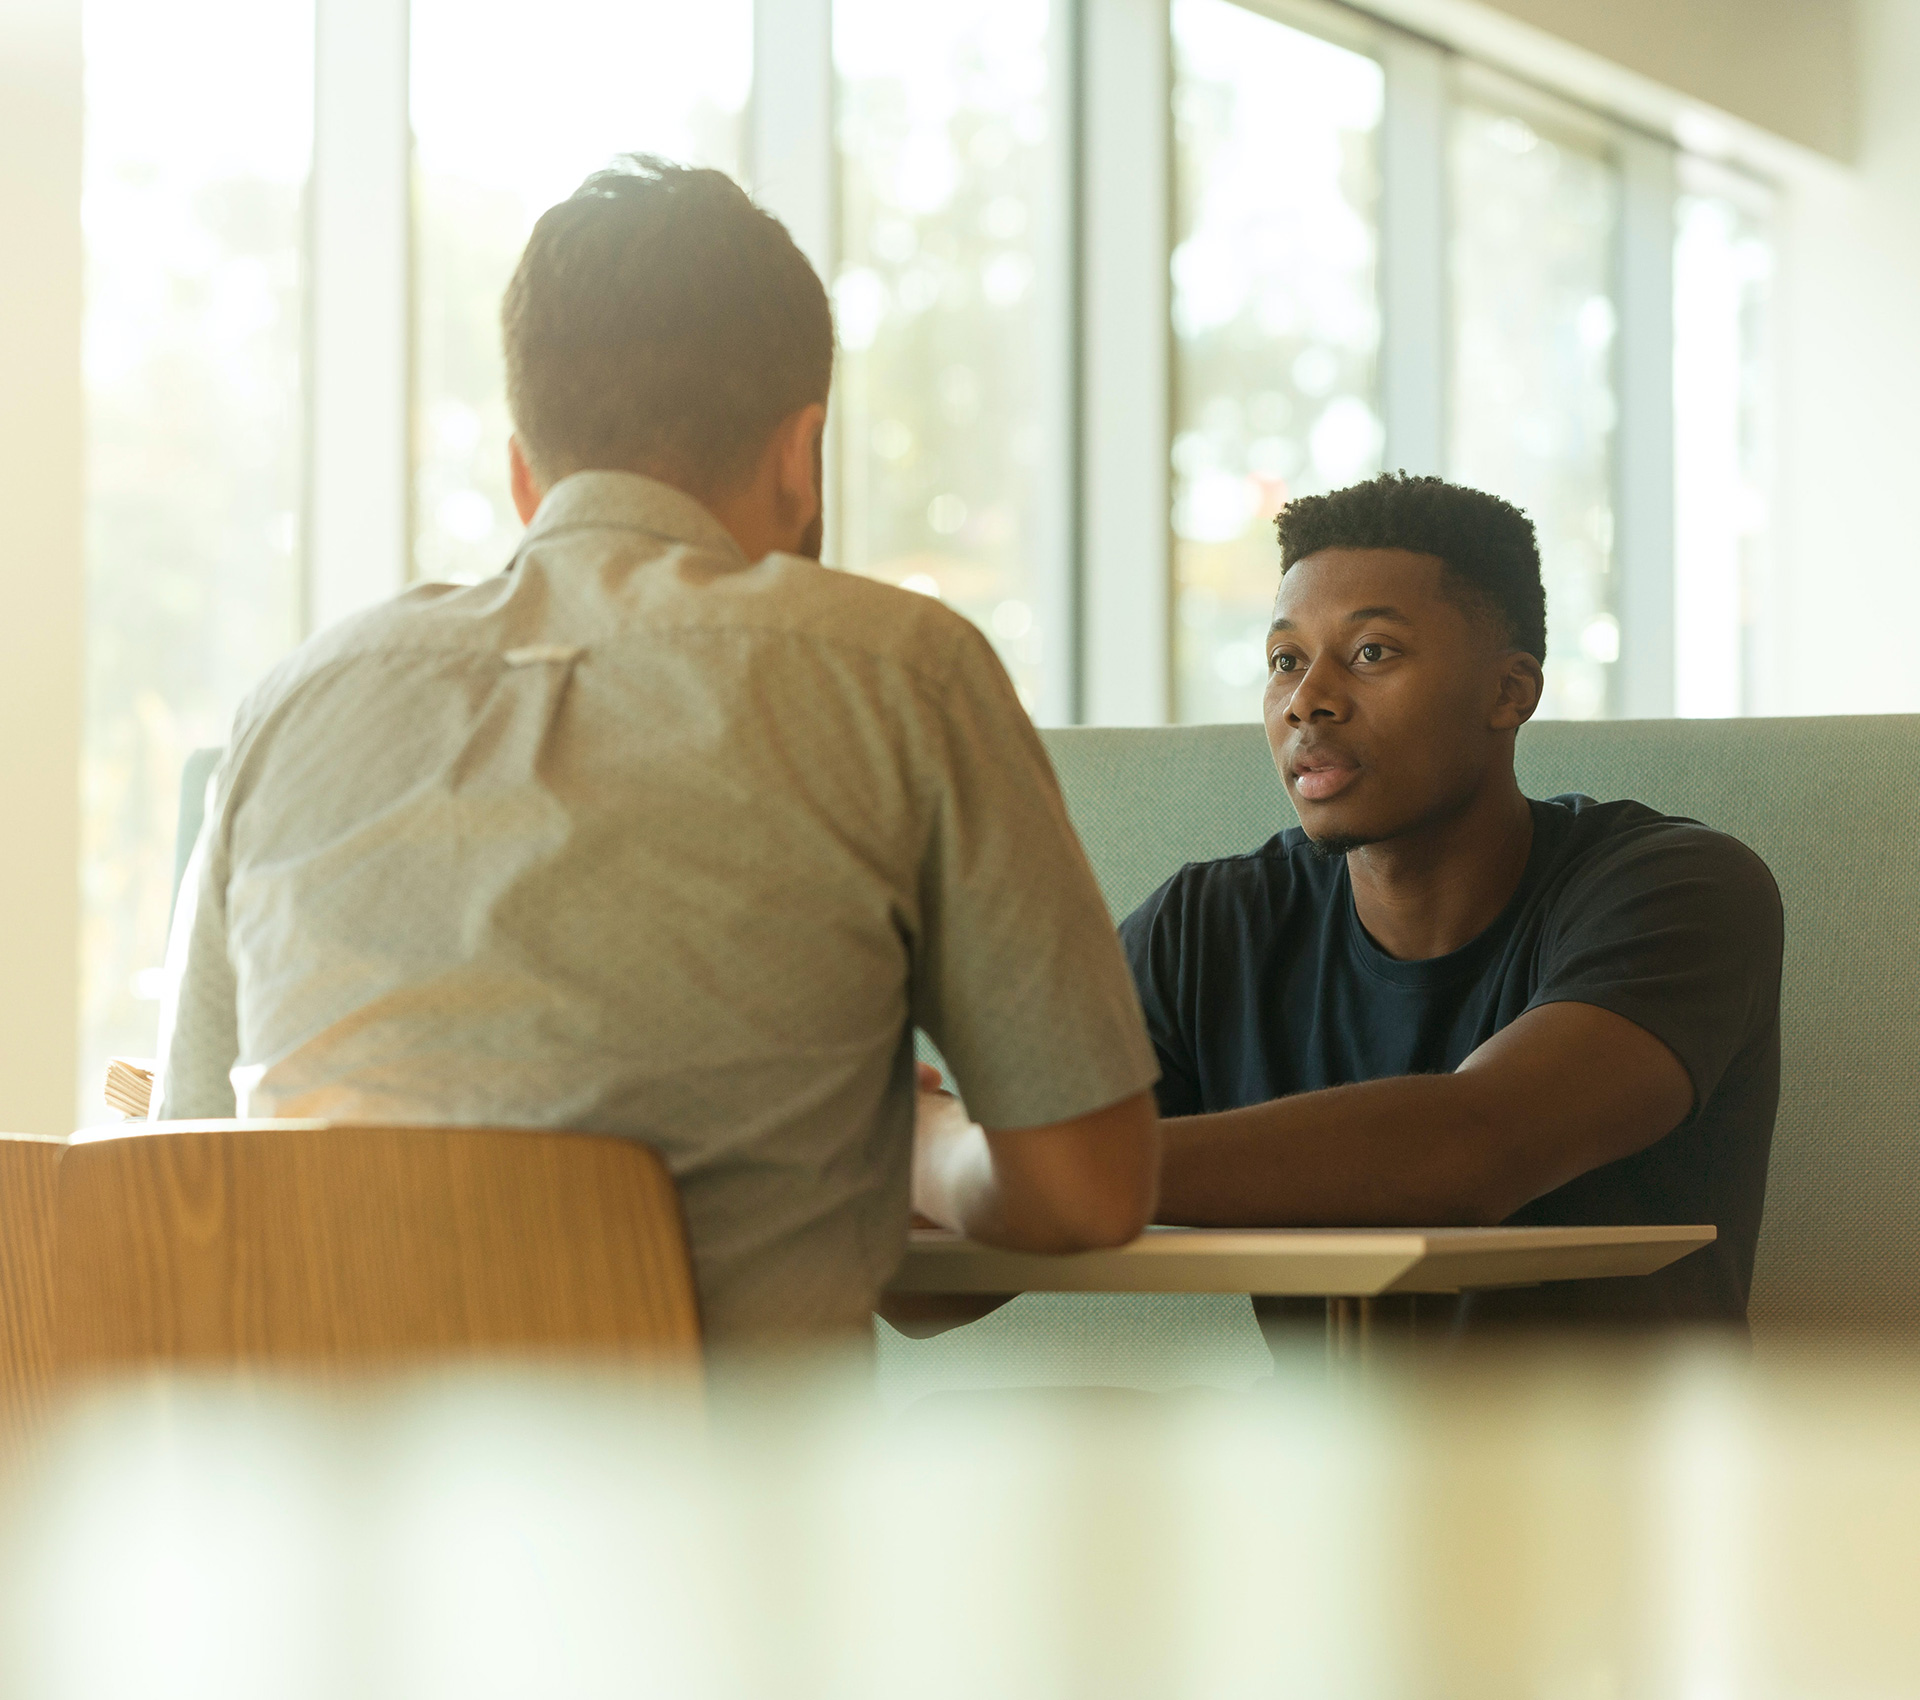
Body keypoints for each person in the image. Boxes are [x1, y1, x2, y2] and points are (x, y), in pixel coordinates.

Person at [155, 157, 1160, 1345]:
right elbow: (1088, 1189)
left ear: (526, 471)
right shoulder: (901, 671)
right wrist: (926, 1146)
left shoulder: (292, 704)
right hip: (718, 1518)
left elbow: (183, 1175)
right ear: (803, 454)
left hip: (312, 1514)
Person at [1121, 473, 1782, 1329]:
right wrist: (939, 1159)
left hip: (1620, 1458)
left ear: (1510, 692)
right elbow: (930, 1291)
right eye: (1285, 660)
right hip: (1324, 1456)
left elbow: (1470, 1151)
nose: (1305, 701)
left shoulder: (1681, 890)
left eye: (1371, 654)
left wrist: (1030, 1171)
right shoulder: (1207, 928)